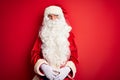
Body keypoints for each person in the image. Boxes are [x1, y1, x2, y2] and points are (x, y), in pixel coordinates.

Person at [31, 5, 79, 80]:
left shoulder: (68, 34)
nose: (53, 19)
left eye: (56, 16)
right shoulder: (43, 34)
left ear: (61, 18)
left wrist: (66, 70)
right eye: (50, 16)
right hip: (44, 77)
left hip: (64, 77)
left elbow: (74, 56)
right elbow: (35, 53)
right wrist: (44, 67)